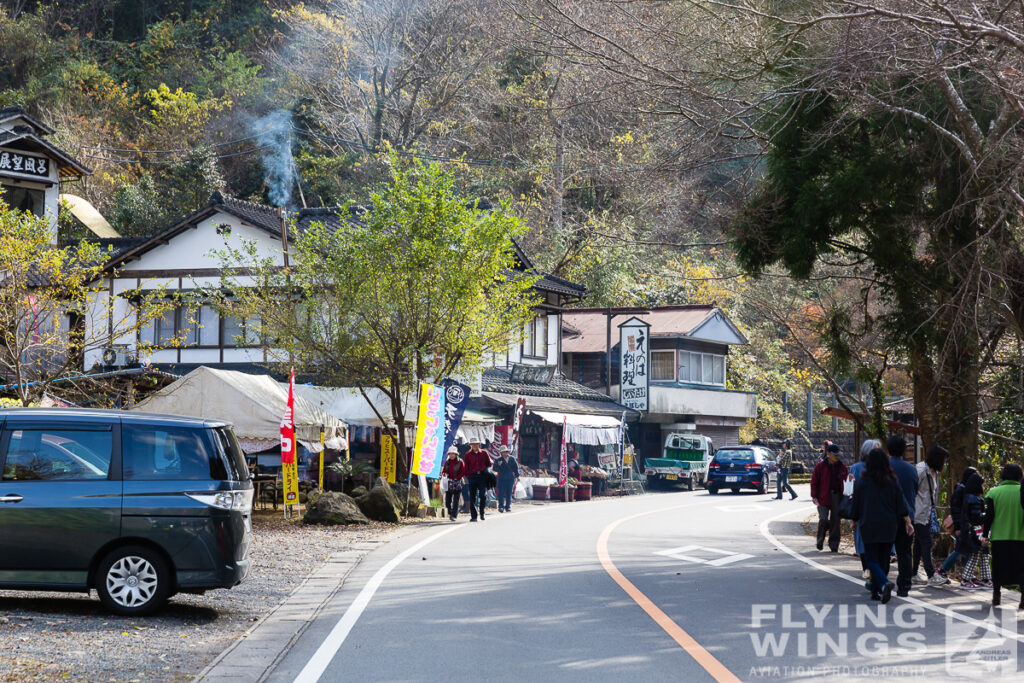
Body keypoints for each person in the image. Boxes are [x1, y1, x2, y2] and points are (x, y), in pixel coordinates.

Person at [851, 447, 912, 604]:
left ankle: (883, 584)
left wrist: (854, 520)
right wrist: (907, 520)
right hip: (889, 525)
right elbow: (901, 503)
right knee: (884, 559)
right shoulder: (892, 481)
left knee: (871, 559)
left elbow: (856, 504)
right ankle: (875, 590)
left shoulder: (863, 482)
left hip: (869, 524)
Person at [983, 463, 1024, 607]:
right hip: (1021, 537)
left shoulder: (994, 492)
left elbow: (989, 517)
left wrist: (984, 535)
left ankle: (996, 595)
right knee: (1021, 568)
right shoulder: (1022, 491)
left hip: (999, 538)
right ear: (1020, 476)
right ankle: (1023, 599)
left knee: (998, 568)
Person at [912, 445, 949, 586]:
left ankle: (913, 573)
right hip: (918, 512)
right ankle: (931, 574)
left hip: (926, 513)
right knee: (926, 542)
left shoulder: (934, 473)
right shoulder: (921, 471)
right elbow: (912, 491)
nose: (944, 463)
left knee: (919, 544)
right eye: (943, 460)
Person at [887, 435, 918, 597]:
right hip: (908, 517)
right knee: (905, 552)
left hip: (886, 517)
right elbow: (916, 491)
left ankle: (881, 581)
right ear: (904, 450)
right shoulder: (911, 469)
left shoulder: (884, 467)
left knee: (884, 550)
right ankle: (904, 585)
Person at [936, 466, 978, 582]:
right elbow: (956, 510)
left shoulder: (965, 489)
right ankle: (943, 570)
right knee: (960, 549)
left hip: (966, 525)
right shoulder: (961, 490)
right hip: (961, 525)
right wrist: (958, 527)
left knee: (967, 549)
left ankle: (967, 573)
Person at [850, 439, 882, 579]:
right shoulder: (856, 468)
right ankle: (867, 569)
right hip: (861, 510)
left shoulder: (883, 468)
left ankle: (876, 570)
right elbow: (851, 492)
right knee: (861, 541)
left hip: (879, 510)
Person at [811, 443, 848, 552]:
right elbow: (814, 482)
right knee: (823, 519)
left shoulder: (842, 466)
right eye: (834, 454)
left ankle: (834, 545)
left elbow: (846, 482)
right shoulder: (820, 466)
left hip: (837, 496)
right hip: (823, 496)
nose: (837, 456)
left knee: (836, 521)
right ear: (828, 454)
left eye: (838, 454)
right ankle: (820, 540)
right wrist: (814, 496)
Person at [958, 472, 991, 590]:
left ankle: (986, 579)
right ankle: (965, 580)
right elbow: (976, 517)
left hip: (971, 532)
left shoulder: (969, 497)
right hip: (975, 533)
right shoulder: (975, 499)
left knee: (983, 556)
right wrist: (988, 514)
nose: (983, 487)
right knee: (976, 556)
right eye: (983, 485)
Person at [463, 439, 492, 522]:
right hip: (472, 476)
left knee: (483, 495)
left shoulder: (484, 453)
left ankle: (482, 512)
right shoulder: (468, 454)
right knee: (472, 497)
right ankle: (474, 516)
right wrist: (468, 476)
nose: (475, 446)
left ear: (479, 445)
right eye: (473, 444)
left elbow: (489, 464)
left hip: (482, 476)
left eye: (476, 444)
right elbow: (466, 466)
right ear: (471, 445)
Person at [492, 445, 519, 513]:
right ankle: (501, 506)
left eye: (505, 452)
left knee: (509, 493)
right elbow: (494, 468)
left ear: (507, 452)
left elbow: (516, 468)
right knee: (500, 493)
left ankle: (508, 507)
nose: (504, 453)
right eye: (503, 452)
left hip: (510, 478)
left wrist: (517, 476)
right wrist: (499, 465)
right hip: (501, 479)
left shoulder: (512, 459)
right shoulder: (498, 460)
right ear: (501, 453)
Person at [441, 446, 465, 521]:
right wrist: (444, 474)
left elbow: (463, 472)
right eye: (450, 454)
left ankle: (454, 515)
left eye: (453, 454)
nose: (451, 455)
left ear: (456, 454)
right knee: (448, 500)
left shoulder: (460, 462)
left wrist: (457, 478)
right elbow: (444, 471)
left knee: (456, 500)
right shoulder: (447, 462)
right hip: (449, 482)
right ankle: (451, 512)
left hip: (458, 482)